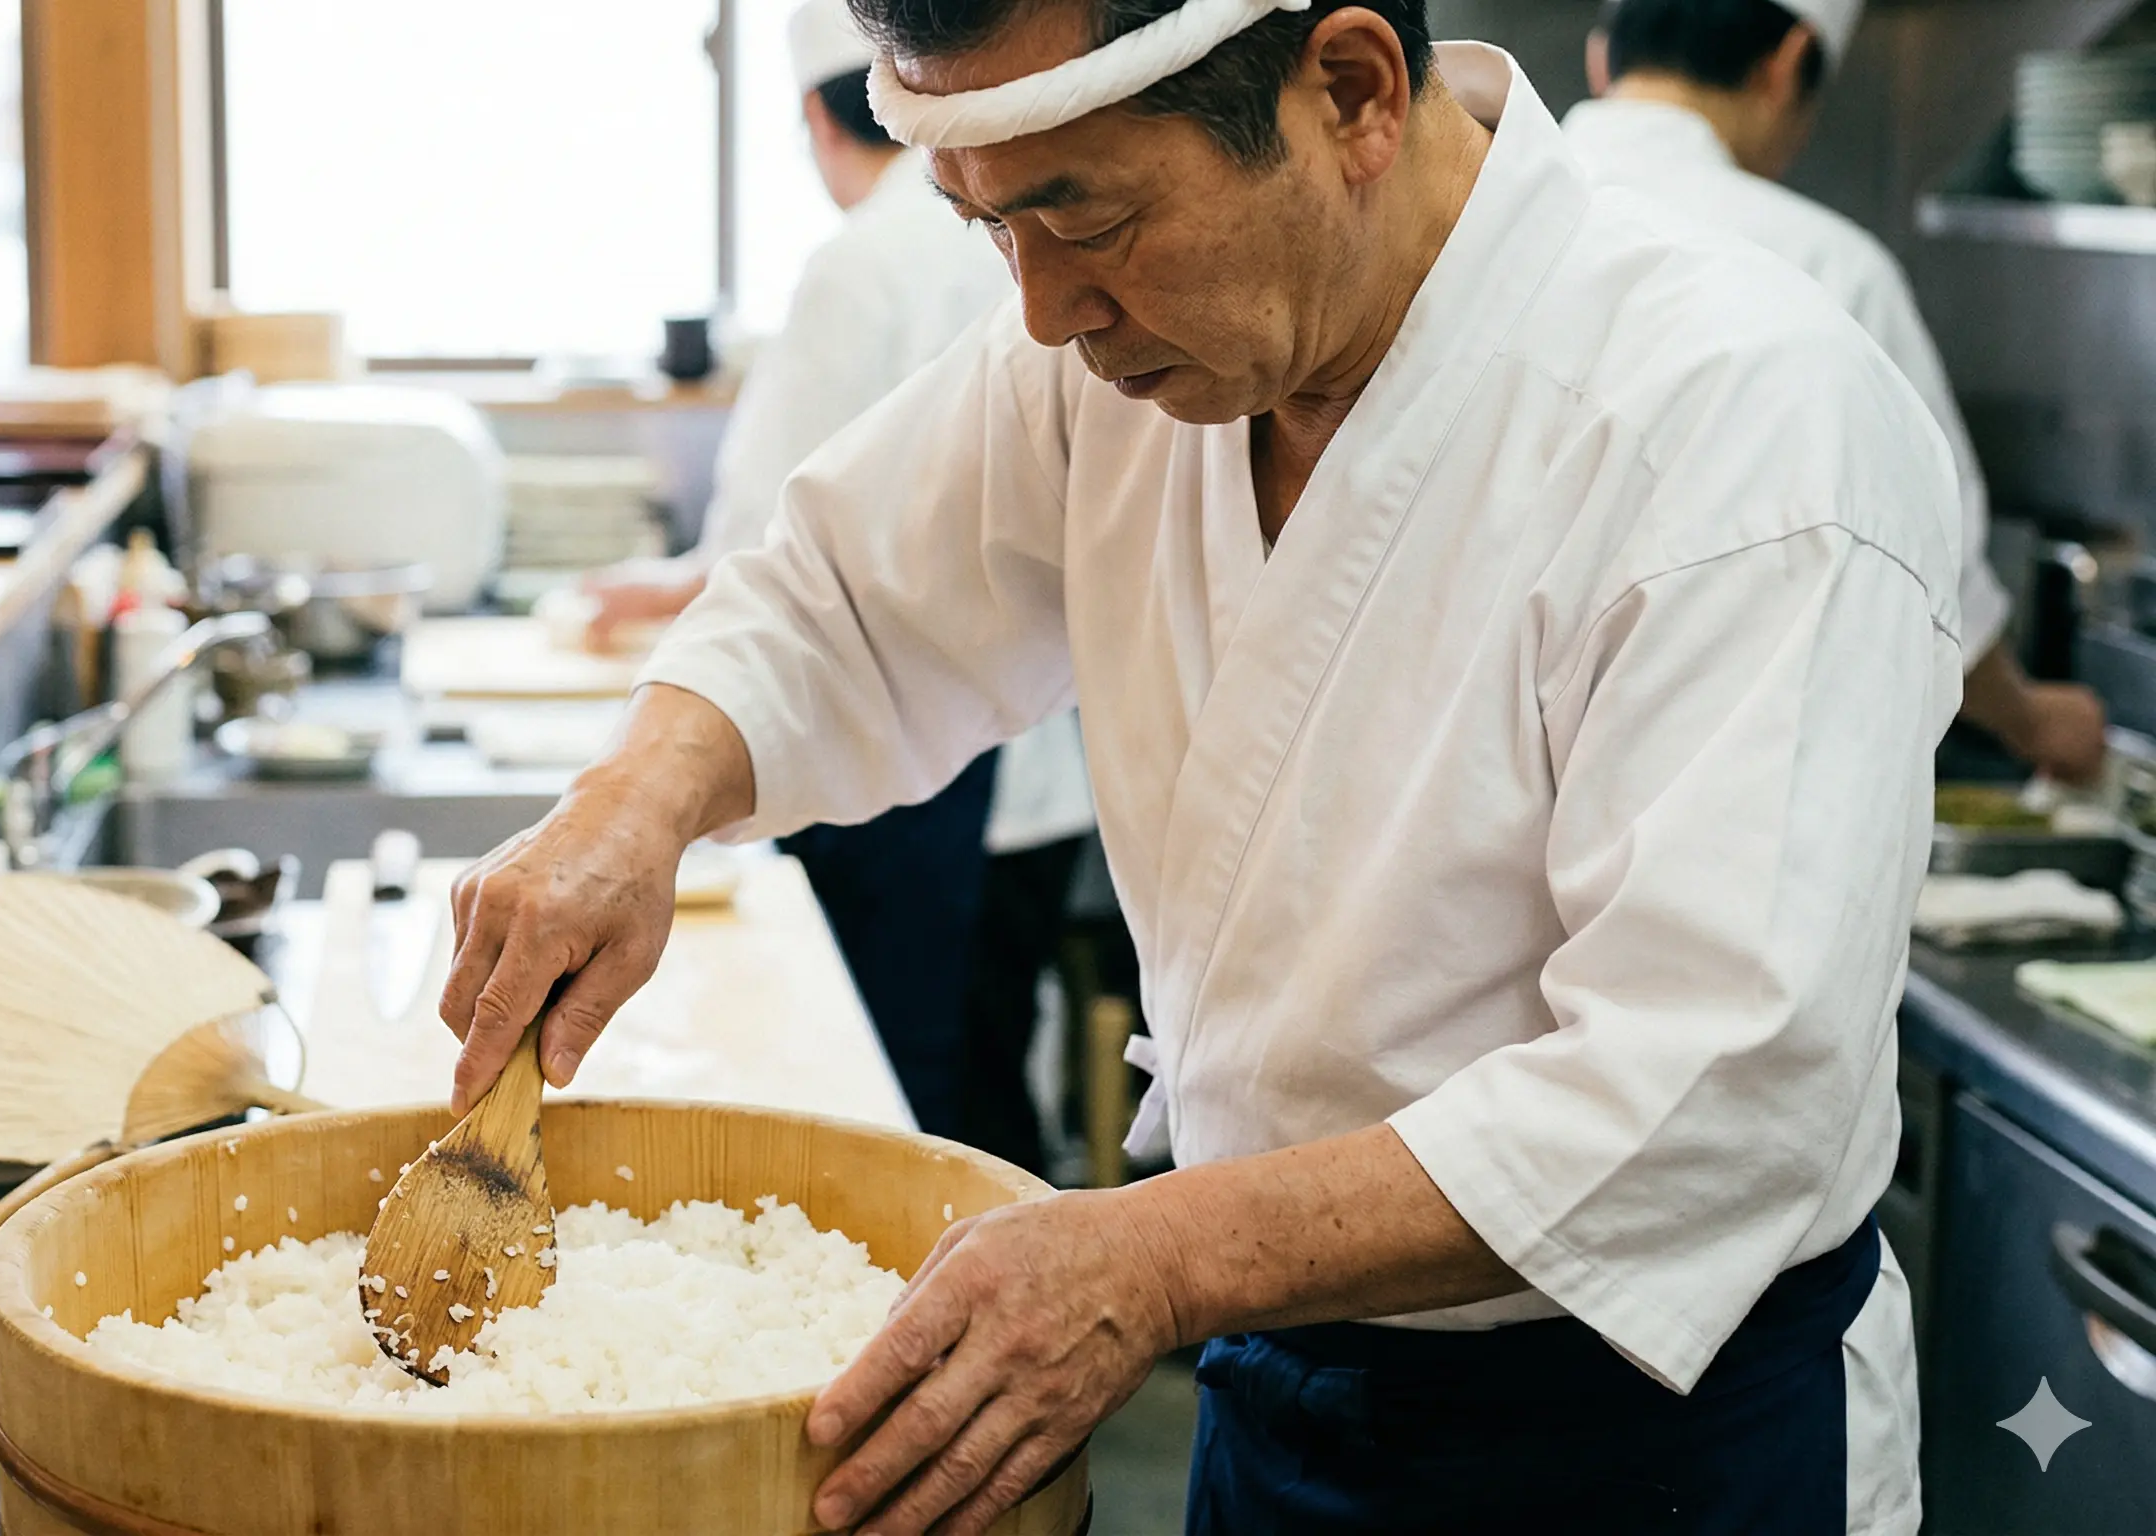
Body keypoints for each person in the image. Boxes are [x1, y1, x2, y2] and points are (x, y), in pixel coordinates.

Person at [440, 0, 1953, 1530]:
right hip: (1278, 1384)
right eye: (987, 230)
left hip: (1648, 1442)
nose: (1040, 313)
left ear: (1351, 92)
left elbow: (1709, 1086)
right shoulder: (1126, 359)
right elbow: (841, 596)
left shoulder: (1744, 424)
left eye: (1082, 214)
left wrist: (1158, 1257)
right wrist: (634, 802)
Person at [588, 0, 1097, 1150]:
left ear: (824, 124)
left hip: (919, 794)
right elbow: (841, 554)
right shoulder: (1012, 246)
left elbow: (768, 533)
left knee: (900, 1088)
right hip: (1037, 774)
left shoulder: (860, 264)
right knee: (983, 1075)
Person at [1571, 0, 2110, 785]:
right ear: (1787, 66)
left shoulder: (1482, 215)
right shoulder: (1827, 269)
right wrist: (2031, 718)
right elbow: (1935, 573)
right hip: (1722, 784)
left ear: (1600, 60)